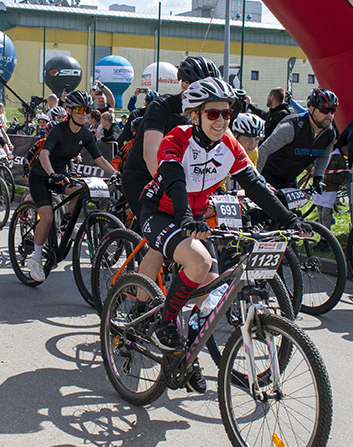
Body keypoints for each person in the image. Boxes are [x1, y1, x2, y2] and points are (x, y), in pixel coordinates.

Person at [139, 78, 311, 394]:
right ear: (195, 115)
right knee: (200, 261)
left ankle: (185, 358)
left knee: (209, 296)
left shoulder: (229, 145)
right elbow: (175, 182)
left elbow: (254, 184)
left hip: (195, 217)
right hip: (161, 212)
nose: (222, 121)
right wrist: (185, 218)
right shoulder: (177, 139)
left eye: (227, 114)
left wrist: (288, 217)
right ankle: (164, 321)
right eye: (214, 113)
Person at [121, 56, 221, 314]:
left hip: (183, 183)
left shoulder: (209, 114)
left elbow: (226, 154)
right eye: (201, 85)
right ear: (184, 85)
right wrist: (175, 196)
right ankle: (139, 307)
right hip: (144, 177)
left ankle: (200, 320)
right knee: (160, 239)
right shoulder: (162, 107)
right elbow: (151, 153)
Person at [26, 90, 117, 282]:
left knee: (80, 190)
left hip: (61, 174)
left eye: (87, 110)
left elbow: (100, 159)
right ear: (69, 110)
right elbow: (43, 155)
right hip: (42, 175)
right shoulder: (59, 130)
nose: (84, 113)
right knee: (48, 217)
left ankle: (67, 220)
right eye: (80, 110)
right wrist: (52, 174)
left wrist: (116, 174)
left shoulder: (85, 134)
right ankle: (35, 260)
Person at [256, 88, 338, 190]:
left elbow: (323, 156)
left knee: (290, 206)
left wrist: (318, 177)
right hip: (268, 176)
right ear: (311, 109)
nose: (329, 115)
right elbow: (263, 150)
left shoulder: (330, 134)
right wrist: (256, 179)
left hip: (289, 179)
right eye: (324, 110)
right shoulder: (290, 128)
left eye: (332, 110)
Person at [219, 112, 264, 191]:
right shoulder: (223, 151)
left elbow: (250, 180)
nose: (253, 144)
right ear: (235, 136)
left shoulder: (253, 152)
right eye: (247, 139)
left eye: (257, 139)